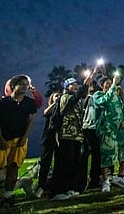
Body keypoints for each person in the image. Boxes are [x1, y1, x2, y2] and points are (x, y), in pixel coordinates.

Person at [0, 75, 36, 212]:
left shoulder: (29, 103)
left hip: (19, 141)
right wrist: (0, 139)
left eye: (26, 84)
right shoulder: (3, 103)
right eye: (21, 84)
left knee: (14, 167)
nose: (24, 86)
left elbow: (30, 120)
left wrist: (24, 137)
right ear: (13, 86)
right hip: (2, 140)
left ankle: (8, 196)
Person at [48, 71, 95, 201]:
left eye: (76, 84)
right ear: (66, 87)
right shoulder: (65, 98)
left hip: (76, 136)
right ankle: (57, 192)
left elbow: (82, 97)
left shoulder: (76, 99)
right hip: (66, 135)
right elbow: (75, 99)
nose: (75, 86)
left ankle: (69, 189)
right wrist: (85, 84)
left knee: (73, 164)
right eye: (72, 85)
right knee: (64, 164)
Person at [94, 75, 124, 192]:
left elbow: (123, 110)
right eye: (106, 83)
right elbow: (104, 101)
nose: (110, 84)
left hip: (119, 129)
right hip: (107, 130)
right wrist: (113, 86)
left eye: (110, 83)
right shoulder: (98, 95)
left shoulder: (117, 96)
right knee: (107, 154)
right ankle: (106, 181)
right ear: (102, 86)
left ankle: (120, 177)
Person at [34, 91, 61, 198]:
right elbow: (45, 113)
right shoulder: (51, 108)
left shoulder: (62, 109)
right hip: (48, 138)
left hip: (59, 138)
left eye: (59, 96)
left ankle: (54, 185)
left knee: (59, 163)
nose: (58, 97)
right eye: (56, 96)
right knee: (45, 163)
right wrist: (55, 103)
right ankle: (41, 186)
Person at [82, 80, 102, 189]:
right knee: (84, 155)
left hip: (96, 129)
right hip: (85, 129)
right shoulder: (84, 98)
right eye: (89, 85)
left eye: (93, 85)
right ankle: (83, 180)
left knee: (97, 155)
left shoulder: (98, 97)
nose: (91, 87)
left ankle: (94, 179)